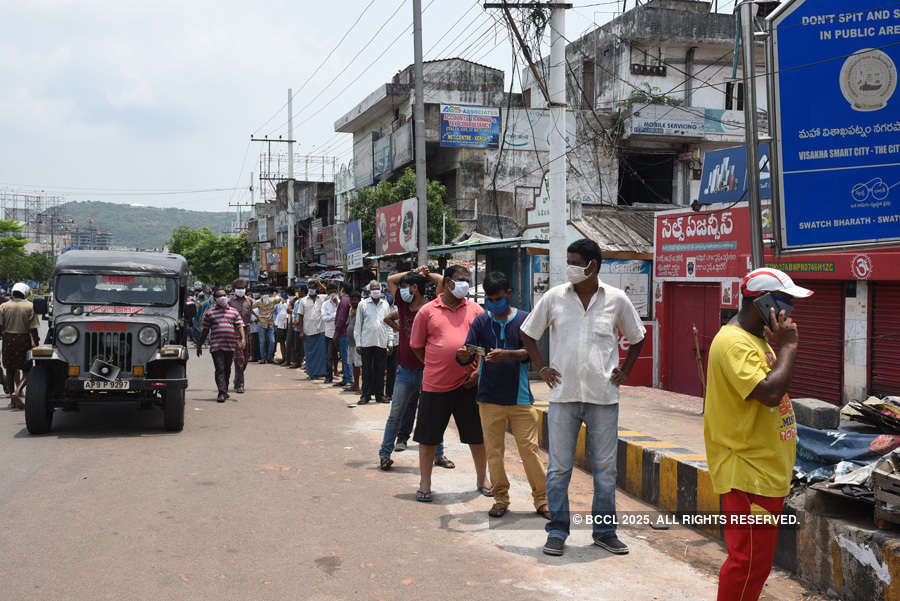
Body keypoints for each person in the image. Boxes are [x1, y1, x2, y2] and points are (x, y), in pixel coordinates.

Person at [521, 238, 645, 557]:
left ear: (593, 265)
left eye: (575, 261)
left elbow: (637, 337)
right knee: (559, 467)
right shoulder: (555, 298)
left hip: (603, 396)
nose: (570, 267)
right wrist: (542, 367)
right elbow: (528, 332)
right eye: (569, 261)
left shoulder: (616, 300)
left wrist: (626, 370)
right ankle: (558, 531)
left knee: (605, 470)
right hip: (563, 396)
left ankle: (604, 532)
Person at [705, 268, 809, 601]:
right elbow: (768, 393)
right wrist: (789, 346)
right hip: (747, 473)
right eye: (785, 302)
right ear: (762, 303)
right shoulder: (735, 343)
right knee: (747, 563)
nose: (790, 310)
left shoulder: (757, 340)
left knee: (756, 564)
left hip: (764, 473)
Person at [457, 271, 548, 519]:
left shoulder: (524, 320)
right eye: (489, 298)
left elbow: (530, 355)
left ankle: (542, 500)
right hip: (488, 398)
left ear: (508, 294)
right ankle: (500, 498)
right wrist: (464, 355)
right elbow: (466, 351)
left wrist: (506, 354)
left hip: (519, 399)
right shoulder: (481, 322)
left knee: (529, 451)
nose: (493, 302)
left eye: (497, 297)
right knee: (494, 452)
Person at [409, 266, 488, 503]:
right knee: (429, 437)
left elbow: (485, 347)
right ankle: (425, 483)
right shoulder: (427, 311)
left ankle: (483, 479)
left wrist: (477, 372)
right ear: (447, 282)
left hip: (468, 385)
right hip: (435, 385)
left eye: (467, 280)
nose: (464, 284)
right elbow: (416, 345)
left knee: (477, 436)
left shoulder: (475, 310)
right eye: (460, 280)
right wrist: (433, 364)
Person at [379, 267, 452, 471]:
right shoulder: (402, 305)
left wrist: (426, 276)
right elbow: (391, 279)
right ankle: (384, 455)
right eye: (401, 287)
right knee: (395, 414)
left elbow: (443, 282)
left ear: (415, 288)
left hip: (428, 370)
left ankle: (439, 454)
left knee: (432, 415)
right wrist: (413, 271)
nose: (401, 290)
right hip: (405, 370)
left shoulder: (430, 308)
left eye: (406, 287)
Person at [195, 288, 246, 403]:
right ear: (215, 299)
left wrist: (243, 339)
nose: (223, 298)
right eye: (220, 296)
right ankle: (221, 392)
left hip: (230, 345)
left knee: (227, 369)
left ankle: (225, 390)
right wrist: (199, 345)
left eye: (224, 295)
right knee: (220, 368)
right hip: (217, 346)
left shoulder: (234, 311)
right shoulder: (210, 313)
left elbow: (240, 326)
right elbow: (205, 331)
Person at [0, 283, 40, 409]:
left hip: (7, 339)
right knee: (27, 370)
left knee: (10, 369)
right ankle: (18, 391)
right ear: (25, 293)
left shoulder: (4, 306)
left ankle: (12, 400)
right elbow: (33, 329)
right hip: (23, 339)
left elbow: (0, 326)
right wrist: (36, 343)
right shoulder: (30, 306)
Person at [354, 281, 392, 405]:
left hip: (381, 342)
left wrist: (390, 341)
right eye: (373, 289)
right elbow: (358, 325)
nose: (375, 290)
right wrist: (358, 343)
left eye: (377, 288)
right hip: (366, 342)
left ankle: (380, 395)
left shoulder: (385, 305)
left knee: (380, 371)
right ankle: (365, 395)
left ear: (380, 290)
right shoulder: (362, 304)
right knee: (366, 371)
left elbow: (389, 325)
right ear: (369, 291)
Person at [228, 279, 253, 394]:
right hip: (235, 331)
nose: (241, 291)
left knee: (246, 357)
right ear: (234, 290)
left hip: (247, 330)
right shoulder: (230, 302)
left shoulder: (249, 301)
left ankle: (237, 378)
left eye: (242, 289)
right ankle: (240, 384)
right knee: (239, 358)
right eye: (238, 289)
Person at [299, 280, 328, 379]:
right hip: (308, 330)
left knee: (321, 354)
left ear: (317, 288)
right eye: (310, 287)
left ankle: (320, 373)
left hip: (321, 329)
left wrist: (320, 284)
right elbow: (300, 316)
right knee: (309, 354)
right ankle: (311, 373)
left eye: (314, 287)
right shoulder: (303, 301)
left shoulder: (322, 298)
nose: (312, 289)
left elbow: (332, 293)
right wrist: (301, 331)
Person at [333, 284, 353, 388]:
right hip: (349, 332)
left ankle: (348, 378)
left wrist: (336, 333)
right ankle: (346, 378)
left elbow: (341, 319)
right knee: (347, 356)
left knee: (346, 356)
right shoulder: (349, 300)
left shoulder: (344, 301)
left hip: (343, 333)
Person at [321, 282, 340, 384]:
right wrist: (336, 315)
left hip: (340, 333)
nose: (332, 294)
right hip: (329, 333)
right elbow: (324, 318)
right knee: (329, 355)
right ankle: (329, 376)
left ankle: (339, 372)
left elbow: (342, 317)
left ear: (337, 292)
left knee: (340, 355)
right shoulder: (325, 304)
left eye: (334, 291)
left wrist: (337, 305)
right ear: (327, 293)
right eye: (330, 292)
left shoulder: (341, 302)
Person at [345, 290, 363, 398]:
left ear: (360, 300)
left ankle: (361, 386)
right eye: (352, 300)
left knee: (359, 365)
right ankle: (355, 384)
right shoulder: (351, 309)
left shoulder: (361, 310)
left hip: (358, 342)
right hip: (351, 342)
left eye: (355, 300)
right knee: (353, 364)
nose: (353, 302)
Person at [253, 287, 277, 364]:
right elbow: (250, 308)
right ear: (261, 295)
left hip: (270, 324)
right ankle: (263, 358)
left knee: (272, 341)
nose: (265, 295)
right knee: (262, 342)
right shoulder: (258, 302)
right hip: (261, 323)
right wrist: (257, 317)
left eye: (266, 293)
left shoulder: (272, 300)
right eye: (263, 293)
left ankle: (269, 357)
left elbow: (281, 300)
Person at [289, 283, 307, 369]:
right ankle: (297, 361)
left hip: (304, 327)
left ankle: (303, 362)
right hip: (296, 327)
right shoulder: (297, 302)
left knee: (304, 346)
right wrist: (293, 320)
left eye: (299, 291)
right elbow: (294, 313)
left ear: (303, 292)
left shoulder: (306, 301)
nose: (297, 293)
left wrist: (298, 321)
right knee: (297, 345)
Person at [274, 290, 290, 364]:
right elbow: (278, 313)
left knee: (288, 342)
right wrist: (276, 323)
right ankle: (284, 358)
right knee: (281, 342)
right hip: (280, 324)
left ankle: (288, 359)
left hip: (287, 323)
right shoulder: (279, 303)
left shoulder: (290, 302)